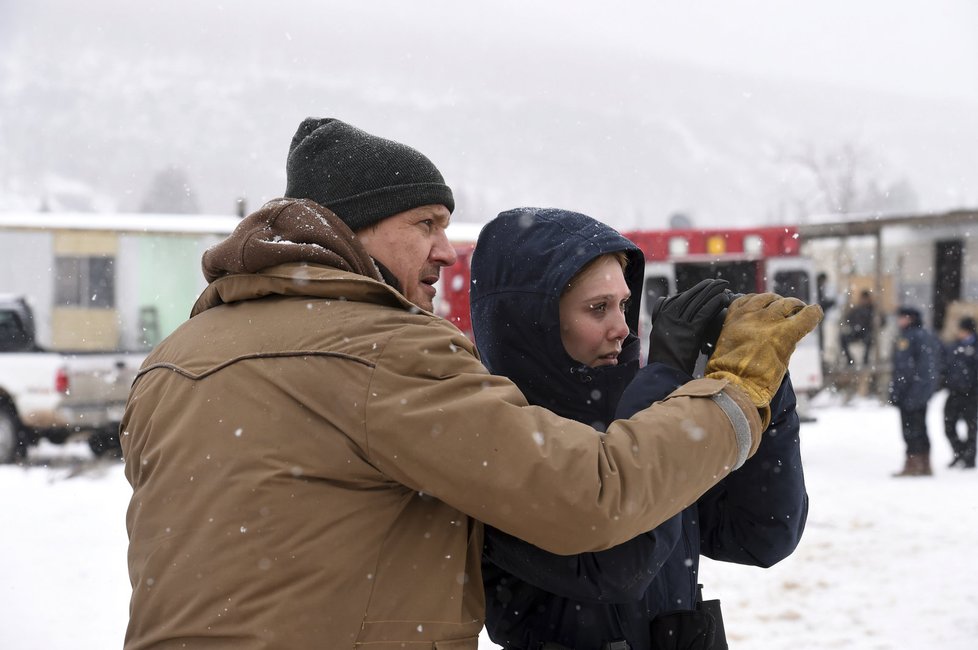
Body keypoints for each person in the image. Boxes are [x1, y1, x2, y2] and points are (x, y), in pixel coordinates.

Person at [120, 117, 822, 649]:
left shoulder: (176, 358)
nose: (445, 250)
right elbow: (599, 509)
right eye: (424, 223)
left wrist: (763, 392)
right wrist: (731, 386)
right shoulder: (385, 353)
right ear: (351, 229)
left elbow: (762, 532)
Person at [470, 207, 808, 650]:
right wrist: (665, 377)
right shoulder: (493, 434)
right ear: (531, 321)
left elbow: (761, 535)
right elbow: (620, 565)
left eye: (624, 304)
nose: (622, 328)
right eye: (598, 308)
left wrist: (760, 386)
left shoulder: (645, 413)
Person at [888, 305, 941, 477]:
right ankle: (924, 463)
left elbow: (906, 369)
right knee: (920, 428)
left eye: (902, 317)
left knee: (912, 430)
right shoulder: (924, 336)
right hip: (919, 392)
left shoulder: (911, 337)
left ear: (909, 318)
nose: (899, 321)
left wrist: (902, 391)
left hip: (912, 393)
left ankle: (915, 464)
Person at [942, 316, 978, 469]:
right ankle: (959, 452)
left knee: (971, 427)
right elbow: (947, 366)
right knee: (949, 425)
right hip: (955, 392)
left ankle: (969, 457)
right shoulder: (954, 346)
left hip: (972, 393)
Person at [840, 289, 879, 367]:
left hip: (866, 332)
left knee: (869, 339)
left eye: (865, 299)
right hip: (855, 332)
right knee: (842, 338)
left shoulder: (872, 309)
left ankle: (865, 360)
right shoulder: (856, 309)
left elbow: (877, 321)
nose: (864, 301)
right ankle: (849, 359)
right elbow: (848, 319)